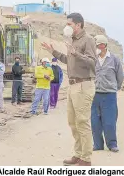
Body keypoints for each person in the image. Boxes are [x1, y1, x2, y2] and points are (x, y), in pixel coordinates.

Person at [41, 12, 97, 166]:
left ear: (78, 25)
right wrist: (53, 51)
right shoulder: (72, 41)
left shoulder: (88, 40)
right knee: (73, 122)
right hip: (73, 86)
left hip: (84, 85)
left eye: (69, 24)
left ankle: (86, 158)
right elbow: (68, 60)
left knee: (82, 122)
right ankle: (78, 154)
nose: (67, 27)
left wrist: (76, 53)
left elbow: (93, 63)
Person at [91, 35, 124, 153]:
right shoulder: (93, 59)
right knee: (95, 121)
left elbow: (120, 77)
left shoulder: (114, 59)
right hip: (95, 94)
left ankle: (112, 144)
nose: (98, 47)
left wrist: (115, 87)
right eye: (96, 45)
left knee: (109, 121)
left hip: (109, 94)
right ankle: (97, 144)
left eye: (100, 45)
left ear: (104, 45)